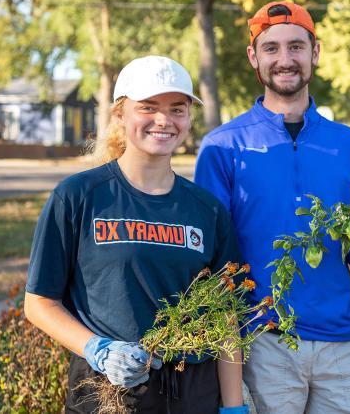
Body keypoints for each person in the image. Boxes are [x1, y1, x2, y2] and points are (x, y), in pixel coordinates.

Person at [24, 55, 249, 414]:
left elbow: (225, 319)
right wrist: (97, 348)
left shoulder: (207, 211)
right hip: (105, 391)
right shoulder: (78, 197)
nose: (164, 120)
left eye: (178, 109)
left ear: (189, 117)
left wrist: (234, 407)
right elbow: (39, 303)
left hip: (191, 395)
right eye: (148, 107)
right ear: (120, 114)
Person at [194, 1, 350, 414]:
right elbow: (211, 262)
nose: (285, 60)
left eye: (296, 46)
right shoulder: (223, 146)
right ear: (253, 58)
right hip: (263, 341)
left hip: (341, 343)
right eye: (271, 48)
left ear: (315, 53)